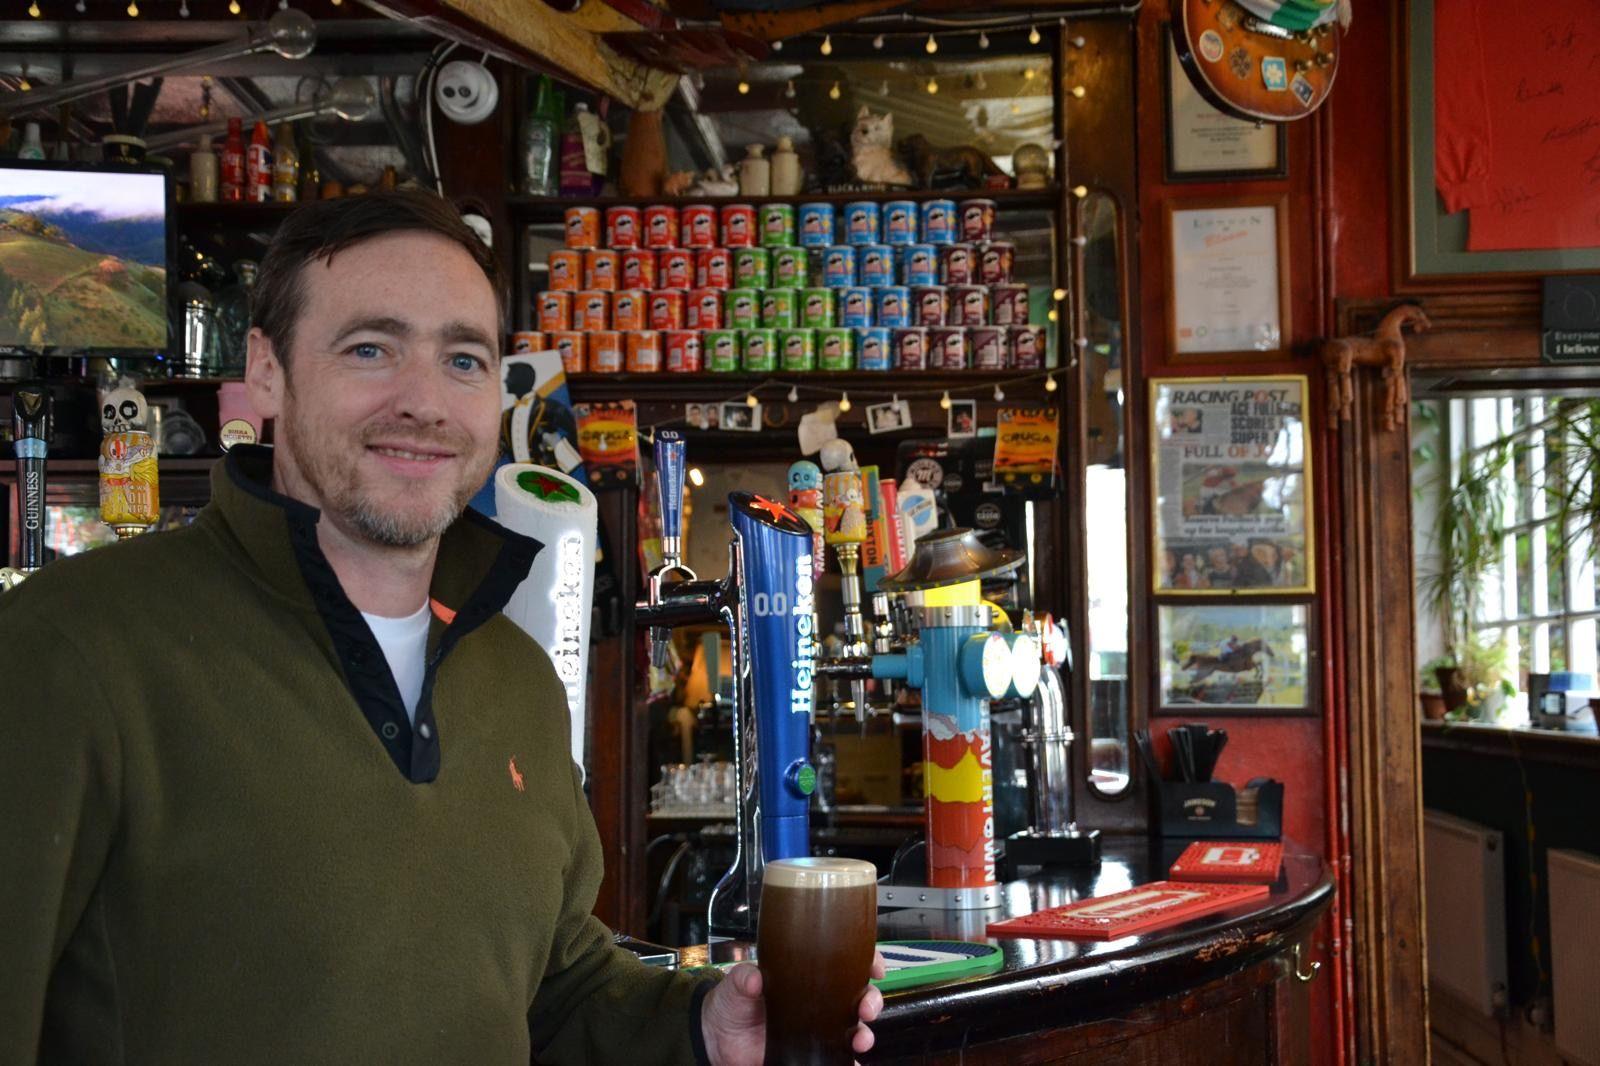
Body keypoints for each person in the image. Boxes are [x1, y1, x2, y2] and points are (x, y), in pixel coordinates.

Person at [0, 190, 882, 1065]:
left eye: (463, 360)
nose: (423, 402)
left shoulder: (516, 679)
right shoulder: (67, 649)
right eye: (371, 348)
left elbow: (553, 986)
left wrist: (700, 1024)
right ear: (266, 369)